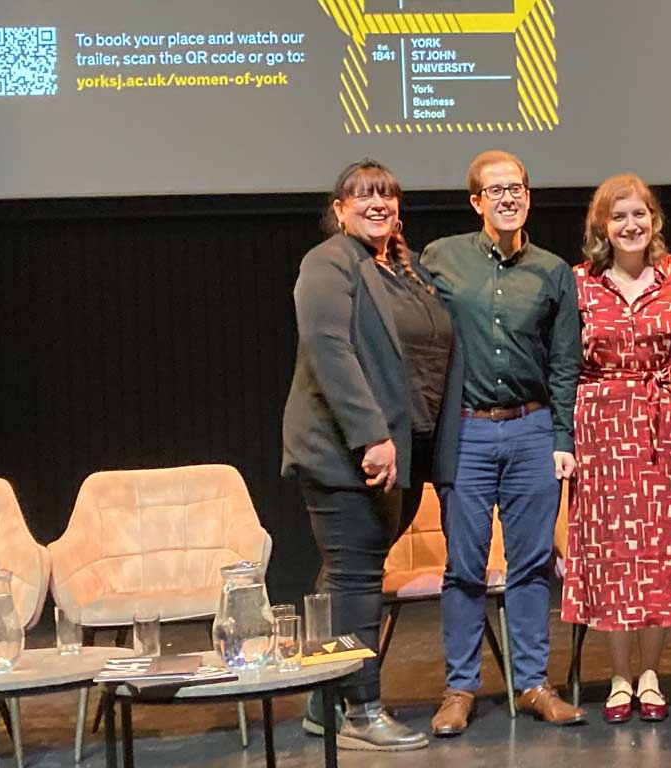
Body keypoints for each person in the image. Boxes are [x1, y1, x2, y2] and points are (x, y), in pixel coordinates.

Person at [281, 159, 461, 751]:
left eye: (387, 194)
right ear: (338, 209)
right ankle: (359, 711)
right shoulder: (329, 262)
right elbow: (330, 349)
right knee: (357, 578)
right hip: (347, 452)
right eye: (362, 195)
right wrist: (371, 435)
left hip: (400, 453)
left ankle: (323, 701)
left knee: (347, 577)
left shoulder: (398, 270)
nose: (376, 202)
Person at [421, 150, 586, 735]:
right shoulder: (440, 259)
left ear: (529, 195)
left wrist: (562, 435)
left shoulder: (553, 271)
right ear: (476, 201)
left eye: (516, 187)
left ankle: (534, 685)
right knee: (464, 565)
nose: (508, 197)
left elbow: (566, 363)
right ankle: (460, 690)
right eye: (496, 190)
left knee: (532, 565)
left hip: (531, 429)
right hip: (464, 430)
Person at [561, 173, 671, 724]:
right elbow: (563, 363)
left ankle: (651, 673)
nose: (631, 225)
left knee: (662, 550)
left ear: (654, 219)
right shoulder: (580, 283)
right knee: (613, 552)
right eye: (619, 216)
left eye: (640, 214)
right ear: (602, 227)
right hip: (603, 427)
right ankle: (618, 675)